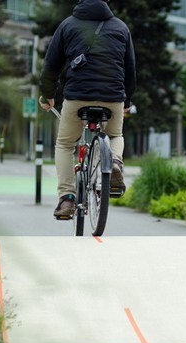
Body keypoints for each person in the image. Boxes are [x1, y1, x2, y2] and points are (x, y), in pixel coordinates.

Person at [39, 0, 136, 218]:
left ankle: (67, 199)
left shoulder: (68, 25)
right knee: (115, 134)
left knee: (65, 144)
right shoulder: (121, 27)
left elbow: (51, 66)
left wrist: (48, 95)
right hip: (113, 97)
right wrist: (127, 100)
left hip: (77, 97)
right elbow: (130, 70)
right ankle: (116, 163)